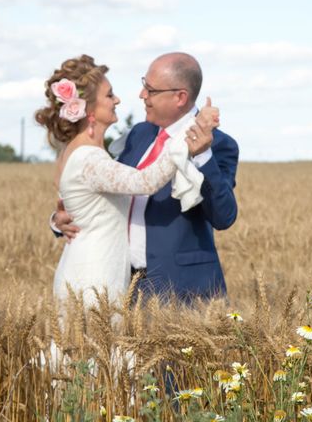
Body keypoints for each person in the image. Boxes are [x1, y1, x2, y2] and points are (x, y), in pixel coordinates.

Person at [36, 54, 220, 306]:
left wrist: (61, 219)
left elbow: (81, 199)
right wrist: (190, 136)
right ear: (89, 110)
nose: (120, 99)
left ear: (180, 96)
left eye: (151, 89)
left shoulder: (92, 153)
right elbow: (145, 182)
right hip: (95, 274)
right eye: (109, 95)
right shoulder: (91, 157)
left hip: (130, 276)